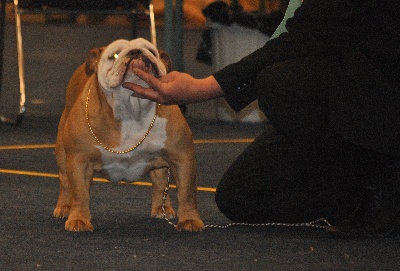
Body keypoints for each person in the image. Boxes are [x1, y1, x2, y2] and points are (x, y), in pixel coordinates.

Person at [123, 0, 400, 238]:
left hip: (382, 92)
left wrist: (202, 87)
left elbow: (303, 38)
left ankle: (384, 188)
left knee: (281, 85)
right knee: (242, 197)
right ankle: (359, 193)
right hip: (353, 92)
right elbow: (292, 35)